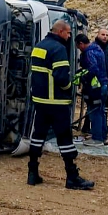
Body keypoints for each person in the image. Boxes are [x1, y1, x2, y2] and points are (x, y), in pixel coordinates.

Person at [27, 20, 94, 190]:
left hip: (40, 101)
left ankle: (32, 172)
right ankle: (72, 177)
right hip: (57, 102)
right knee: (65, 139)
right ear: (61, 32)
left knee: (38, 136)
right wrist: (70, 87)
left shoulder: (39, 46)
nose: (70, 36)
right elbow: (62, 77)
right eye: (69, 33)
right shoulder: (59, 49)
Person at [75, 33, 108, 147]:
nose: (79, 49)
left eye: (78, 47)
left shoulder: (88, 53)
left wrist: (83, 78)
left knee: (95, 112)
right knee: (101, 111)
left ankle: (97, 139)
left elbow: (93, 68)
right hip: (103, 84)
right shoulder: (97, 48)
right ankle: (103, 136)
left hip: (96, 86)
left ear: (81, 44)